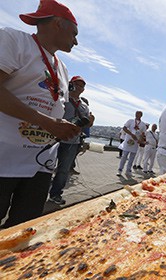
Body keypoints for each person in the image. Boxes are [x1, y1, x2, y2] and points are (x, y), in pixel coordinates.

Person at [0, 0, 80, 228]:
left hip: (40, 165)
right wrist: (46, 122)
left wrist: (63, 125)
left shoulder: (62, 67)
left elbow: (52, 105)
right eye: (74, 33)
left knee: (23, 230)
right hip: (4, 157)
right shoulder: (14, 40)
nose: (76, 40)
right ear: (57, 23)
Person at [48, 76, 94, 205]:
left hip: (72, 141)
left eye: (81, 86)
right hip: (54, 138)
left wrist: (90, 122)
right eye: (76, 84)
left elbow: (85, 124)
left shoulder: (84, 106)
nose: (79, 88)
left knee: (63, 170)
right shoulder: (62, 98)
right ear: (70, 84)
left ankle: (55, 194)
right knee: (45, 167)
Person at [117, 111, 147, 176]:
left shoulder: (143, 124)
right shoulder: (130, 121)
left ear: (141, 115)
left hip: (135, 142)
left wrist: (140, 140)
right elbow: (124, 128)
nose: (136, 115)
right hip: (128, 140)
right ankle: (120, 169)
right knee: (124, 156)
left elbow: (143, 134)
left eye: (138, 114)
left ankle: (128, 170)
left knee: (132, 157)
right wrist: (131, 134)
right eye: (136, 114)